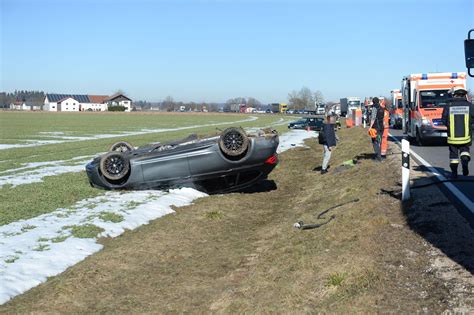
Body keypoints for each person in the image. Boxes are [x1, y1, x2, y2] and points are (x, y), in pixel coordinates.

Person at [441, 87, 474, 178]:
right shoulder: (470, 105)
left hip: (452, 137)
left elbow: (443, 120)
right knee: (465, 151)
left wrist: (449, 125)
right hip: (466, 136)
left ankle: (454, 174)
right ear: (464, 95)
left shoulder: (448, 105)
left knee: (453, 156)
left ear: (454, 94)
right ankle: (465, 162)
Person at [369, 97, 385, 162]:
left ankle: (378, 158)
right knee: (379, 142)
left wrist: (370, 127)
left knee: (375, 142)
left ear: (373, 102)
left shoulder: (374, 108)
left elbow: (373, 118)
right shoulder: (382, 108)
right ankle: (379, 156)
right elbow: (383, 118)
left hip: (376, 127)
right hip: (381, 127)